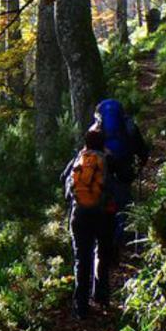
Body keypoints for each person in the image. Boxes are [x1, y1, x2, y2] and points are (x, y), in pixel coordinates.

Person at [62, 128, 114, 319]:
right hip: (101, 215)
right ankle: (101, 296)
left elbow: (63, 178)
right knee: (102, 253)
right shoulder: (106, 159)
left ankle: (81, 307)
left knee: (81, 259)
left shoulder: (78, 158)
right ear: (102, 143)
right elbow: (124, 177)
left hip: (79, 214)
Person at [91, 99, 150, 249]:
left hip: (105, 170)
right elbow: (140, 147)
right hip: (124, 167)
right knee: (123, 202)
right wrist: (140, 163)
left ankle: (109, 241)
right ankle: (124, 236)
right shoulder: (128, 124)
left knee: (107, 203)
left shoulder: (97, 128)